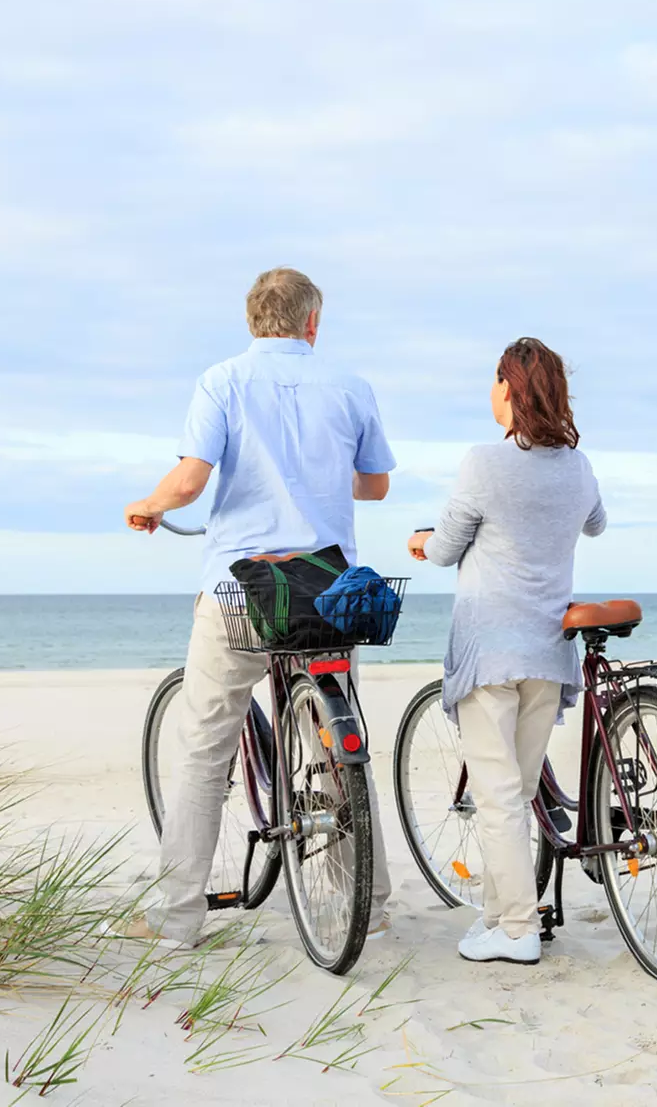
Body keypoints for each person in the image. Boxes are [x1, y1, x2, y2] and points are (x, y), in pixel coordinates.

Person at [119, 267, 397, 946]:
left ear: (252, 320)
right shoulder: (350, 386)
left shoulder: (222, 381)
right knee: (336, 743)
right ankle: (367, 902)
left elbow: (190, 482)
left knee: (204, 748)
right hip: (328, 587)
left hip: (242, 584)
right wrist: (318, 477)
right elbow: (376, 486)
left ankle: (178, 919)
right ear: (312, 323)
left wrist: (149, 505)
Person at [407, 337, 606, 965]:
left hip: (491, 650)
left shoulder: (484, 463)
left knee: (497, 797)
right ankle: (496, 919)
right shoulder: (577, 466)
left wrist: (422, 541)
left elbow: (445, 549)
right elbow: (596, 523)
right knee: (512, 796)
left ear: (509, 388)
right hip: (547, 651)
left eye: (495, 383)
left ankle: (519, 930)